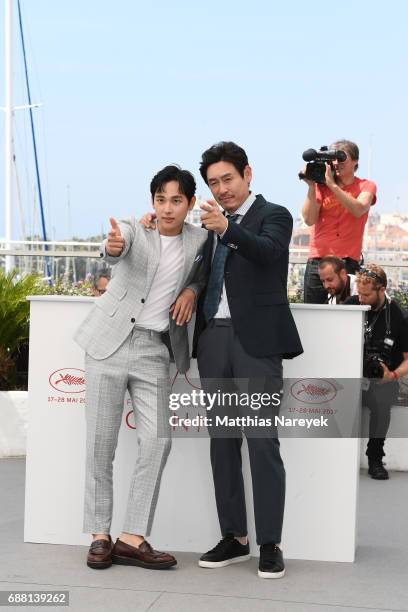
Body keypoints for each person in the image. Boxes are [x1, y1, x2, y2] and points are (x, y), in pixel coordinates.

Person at [74, 165, 207, 570]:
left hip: (154, 350)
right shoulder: (135, 227)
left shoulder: (201, 238)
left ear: (190, 203)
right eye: (161, 199)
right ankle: (100, 534)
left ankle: (131, 537)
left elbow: (205, 273)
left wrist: (191, 289)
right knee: (101, 444)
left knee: (157, 441)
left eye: (176, 200)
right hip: (108, 346)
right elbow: (115, 246)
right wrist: (113, 245)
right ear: (152, 201)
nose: (167, 208)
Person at [193, 141, 303, 578]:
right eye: (214, 183)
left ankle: (270, 543)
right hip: (213, 339)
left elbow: (268, 253)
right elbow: (198, 273)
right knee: (222, 444)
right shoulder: (207, 225)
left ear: (248, 174)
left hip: (256, 342)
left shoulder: (274, 214)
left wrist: (226, 229)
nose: (222, 189)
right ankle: (234, 538)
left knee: (261, 442)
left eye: (228, 179)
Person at [344, 265, 408, 479]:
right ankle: (335, 456)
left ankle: (375, 459)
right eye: (358, 293)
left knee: (382, 405)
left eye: (366, 294)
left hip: (382, 380)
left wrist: (393, 374)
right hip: (350, 375)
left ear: (382, 289)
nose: (360, 299)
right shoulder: (350, 305)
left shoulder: (398, 315)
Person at [301, 139, 377, 304]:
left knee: (346, 315)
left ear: (355, 161)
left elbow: (358, 209)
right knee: (312, 314)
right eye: (333, 159)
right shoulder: (321, 186)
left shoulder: (366, 186)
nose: (336, 163)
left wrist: (333, 186)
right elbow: (308, 219)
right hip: (318, 260)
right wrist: (311, 186)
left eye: (341, 158)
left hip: (346, 262)